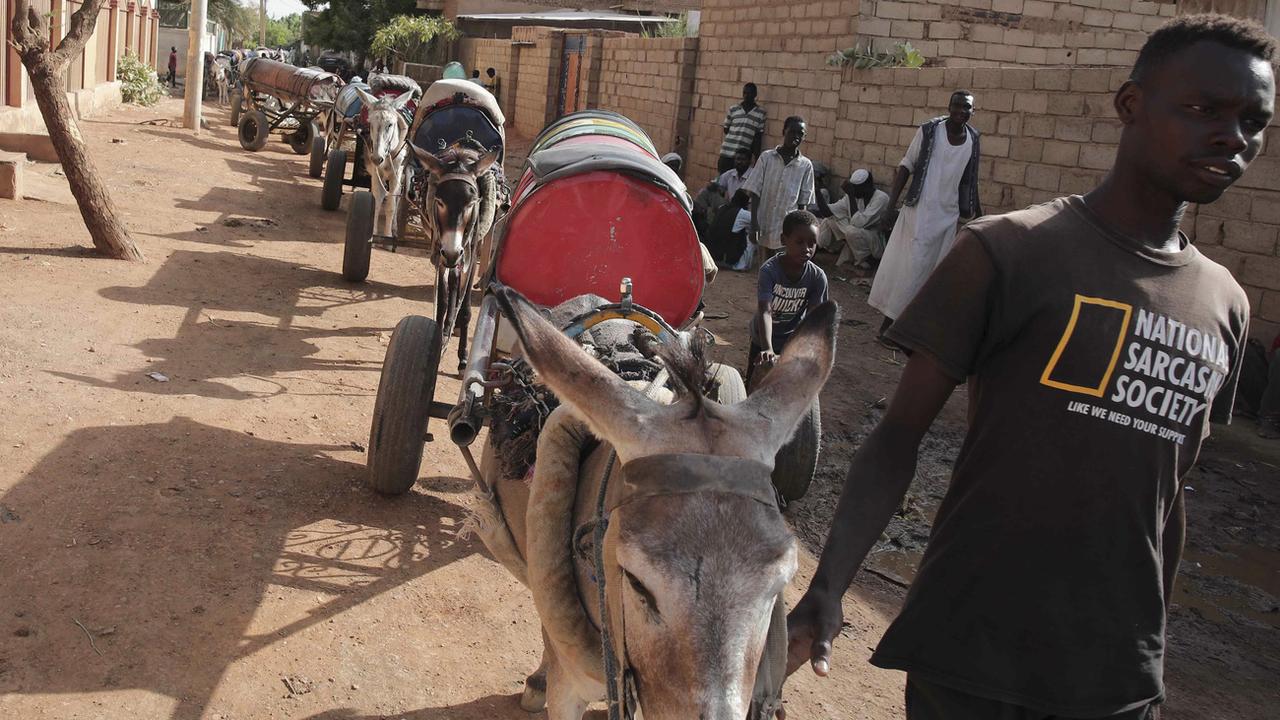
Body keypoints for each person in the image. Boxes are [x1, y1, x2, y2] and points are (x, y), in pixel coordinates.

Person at [786, 15, 1274, 720]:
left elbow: (1168, 492)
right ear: (1130, 106)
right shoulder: (1008, 252)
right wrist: (829, 586)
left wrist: (1151, 653)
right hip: (973, 657)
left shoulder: (1224, 305)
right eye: (1205, 110)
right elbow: (897, 436)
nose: (1235, 137)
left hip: (1115, 680)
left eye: (1254, 121)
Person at [868, 90, 981, 338]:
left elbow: (969, 180)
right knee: (912, 268)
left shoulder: (973, 139)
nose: (962, 111)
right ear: (949, 106)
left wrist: (972, 214)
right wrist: (891, 207)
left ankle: (912, 329)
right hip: (920, 211)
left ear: (974, 111)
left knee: (934, 272)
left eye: (967, 108)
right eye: (957, 106)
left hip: (947, 216)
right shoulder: (930, 131)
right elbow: (906, 165)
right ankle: (888, 328)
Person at [748, 209, 828, 384]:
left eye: (812, 243)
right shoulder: (769, 271)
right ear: (784, 240)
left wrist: (806, 350)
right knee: (755, 385)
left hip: (791, 341)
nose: (806, 249)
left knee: (785, 387)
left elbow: (812, 321)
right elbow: (765, 311)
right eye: (799, 242)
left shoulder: (817, 277)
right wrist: (767, 348)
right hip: (763, 338)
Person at [742, 116, 815, 270]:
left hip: (788, 230)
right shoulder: (767, 158)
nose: (795, 136)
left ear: (804, 136)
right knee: (765, 270)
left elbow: (803, 203)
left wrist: (801, 234)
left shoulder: (806, 166)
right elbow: (755, 191)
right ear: (783, 132)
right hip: (765, 224)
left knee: (784, 273)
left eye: (800, 133)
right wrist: (754, 224)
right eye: (792, 132)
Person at [814, 169, 890, 274]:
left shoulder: (881, 198)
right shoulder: (854, 197)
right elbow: (827, 212)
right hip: (857, 234)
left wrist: (851, 195)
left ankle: (870, 263)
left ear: (867, 187)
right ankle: (815, 249)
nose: (853, 191)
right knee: (830, 220)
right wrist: (817, 191)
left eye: (856, 189)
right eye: (852, 188)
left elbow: (859, 223)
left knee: (851, 231)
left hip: (875, 239)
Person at [718, 83, 767, 174]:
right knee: (722, 183)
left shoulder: (761, 113)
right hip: (727, 154)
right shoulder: (733, 109)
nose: (746, 96)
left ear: (755, 95)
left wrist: (756, 158)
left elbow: (758, 137)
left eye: (749, 93)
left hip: (743, 158)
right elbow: (726, 129)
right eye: (744, 93)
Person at [705, 189, 753, 268]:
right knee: (753, 238)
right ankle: (741, 266)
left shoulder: (722, 208)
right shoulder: (741, 213)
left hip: (713, 256)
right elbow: (758, 222)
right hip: (727, 258)